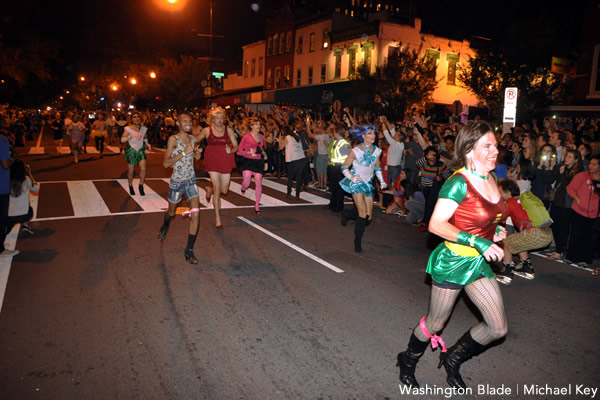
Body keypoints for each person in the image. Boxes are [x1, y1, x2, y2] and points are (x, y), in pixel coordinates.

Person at [396, 120, 508, 390]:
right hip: (453, 262)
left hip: (477, 263)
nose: (495, 151)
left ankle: (453, 358)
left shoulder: (490, 178)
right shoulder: (458, 183)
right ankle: (407, 360)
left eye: (495, 145)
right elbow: (436, 225)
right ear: (470, 150)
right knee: (435, 322)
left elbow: (484, 217)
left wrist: (495, 232)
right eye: (487, 146)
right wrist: (477, 242)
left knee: (498, 328)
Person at [157, 111, 203, 264]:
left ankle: (189, 250)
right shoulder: (173, 139)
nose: (188, 123)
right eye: (185, 121)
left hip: (191, 181)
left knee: (196, 214)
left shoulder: (192, 139)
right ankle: (165, 224)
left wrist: (197, 156)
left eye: (190, 121)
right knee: (171, 212)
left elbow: (194, 159)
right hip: (177, 182)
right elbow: (165, 163)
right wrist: (184, 152)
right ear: (178, 123)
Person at [339, 124, 388, 253]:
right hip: (357, 182)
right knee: (362, 213)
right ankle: (357, 243)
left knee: (368, 217)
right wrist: (352, 178)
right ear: (363, 136)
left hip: (368, 183)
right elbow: (344, 167)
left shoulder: (377, 150)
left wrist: (382, 181)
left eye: (374, 133)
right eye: (370, 133)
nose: (373, 136)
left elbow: (377, 166)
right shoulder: (355, 151)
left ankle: (349, 214)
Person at [495, 180, 553, 285]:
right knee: (518, 240)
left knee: (507, 242)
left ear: (508, 192)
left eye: (500, 191)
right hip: (546, 233)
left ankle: (506, 273)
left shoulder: (509, 202)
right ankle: (526, 268)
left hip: (535, 233)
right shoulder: (521, 200)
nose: (498, 194)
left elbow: (499, 217)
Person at [197, 107, 238, 228]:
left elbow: (236, 146)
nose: (220, 120)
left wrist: (231, 150)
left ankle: (210, 190)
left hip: (226, 160)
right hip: (212, 160)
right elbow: (195, 140)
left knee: (224, 190)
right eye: (217, 118)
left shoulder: (229, 130)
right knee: (218, 187)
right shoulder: (206, 130)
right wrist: (196, 149)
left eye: (221, 118)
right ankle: (217, 218)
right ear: (212, 119)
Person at [565, 155, 600, 267]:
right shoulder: (582, 176)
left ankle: (585, 259)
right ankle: (571, 257)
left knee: (589, 237)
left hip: (595, 214)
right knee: (576, 235)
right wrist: (577, 198)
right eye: (590, 164)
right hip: (579, 211)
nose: (591, 166)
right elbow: (570, 188)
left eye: (594, 164)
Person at [237, 117, 266, 214]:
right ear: (251, 126)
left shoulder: (261, 136)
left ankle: (257, 206)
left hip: (258, 162)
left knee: (258, 183)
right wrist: (248, 152)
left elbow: (261, 149)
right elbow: (239, 151)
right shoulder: (246, 136)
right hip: (248, 162)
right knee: (247, 182)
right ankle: (243, 187)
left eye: (259, 124)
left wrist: (265, 155)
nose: (258, 126)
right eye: (256, 124)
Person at [121, 112, 151, 196]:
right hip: (131, 150)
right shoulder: (128, 128)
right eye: (134, 117)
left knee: (143, 169)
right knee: (131, 171)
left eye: (138, 117)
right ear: (131, 119)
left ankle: (141, 185)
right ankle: (130, 185)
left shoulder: (144, 128)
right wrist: (129, 137)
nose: (136, 118)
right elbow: (122, 140)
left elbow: (144, 137)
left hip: (141, 149)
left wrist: (147, 143)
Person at [7, 159, 38, 234]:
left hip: (9, 216)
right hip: (25, 215)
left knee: (5, 230)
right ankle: (25, 225)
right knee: (27, 204)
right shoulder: (26, 179)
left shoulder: (6, 180)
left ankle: (6, 229)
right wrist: (29, 174)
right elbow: (36, 189)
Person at [324, 125, 351, 212]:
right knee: (333, 186)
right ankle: (332, 204)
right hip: (334, 166)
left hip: (340, 167)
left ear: (337, 133)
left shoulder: (344, 144)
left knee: (339, 187)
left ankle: (339, 206)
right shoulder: (336, 142)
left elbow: (349, 157)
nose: (333, 134)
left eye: (335, 132)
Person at [0, 130, 17, 257]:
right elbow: (5, 164)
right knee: (1, 218)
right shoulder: (2, 139)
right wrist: (13, 159)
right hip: (1, 185)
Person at [278, 125, 307, 199]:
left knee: (290, 177)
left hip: (293, 160)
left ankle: (288, 193)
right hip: (301, 158)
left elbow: (281, 147)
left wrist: (279, 139)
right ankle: (297, 195)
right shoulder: (296, 135)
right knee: (299, 177)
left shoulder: (287, 137)